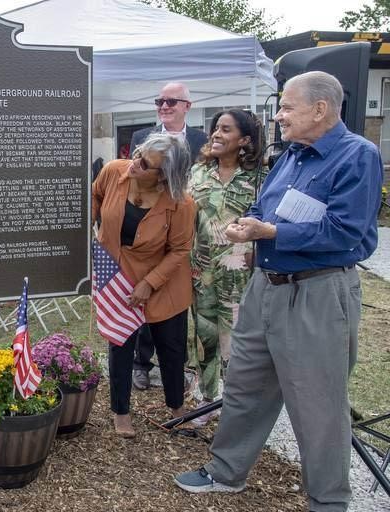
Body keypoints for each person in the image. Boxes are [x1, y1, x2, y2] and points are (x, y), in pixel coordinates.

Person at [174, 71, 383, 512]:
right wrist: (244, 226)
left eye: (287, 107)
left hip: (317, 295)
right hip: (264, 290)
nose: (280, 116)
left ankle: (328, 501)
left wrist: (271, 232)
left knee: (318, 405)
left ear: (320, 109)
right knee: (245, 387)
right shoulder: (290, 156)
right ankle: (226, 473)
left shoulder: (356, 156)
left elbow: (348, 233)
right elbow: (261, 206)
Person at [92, 132, 196, 437]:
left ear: (164, 177)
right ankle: (120, 412)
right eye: (137, 154)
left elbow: (179, 250)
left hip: (163, 281)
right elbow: (95, 195)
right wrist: (89, 220)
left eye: (145, 163)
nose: (134, 164)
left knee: (171, 347)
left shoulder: (181, 204)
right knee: (120, 342)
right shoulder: (114, 171)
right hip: (118, 274)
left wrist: (150, 283)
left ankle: (177, 407)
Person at [187, 109, 264, 426]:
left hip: (240, 274)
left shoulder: (260, 178)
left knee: (236, 342)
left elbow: (268, 222)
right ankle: (206, 399)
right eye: (215, 129)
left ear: (244, 140)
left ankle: (236, 405)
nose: (216, 134)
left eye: (226, 130)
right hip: (202, 272)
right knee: (204, 337)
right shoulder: (198, 173)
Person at [130, 82, 208, 390]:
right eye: (160, 101)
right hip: (150, 229)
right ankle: (141, 363)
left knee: (176, 301)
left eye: (171, 101)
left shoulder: (202, 140)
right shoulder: (140, 138)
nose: (164, 106)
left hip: (187, 229)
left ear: (187, 106)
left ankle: (175, 365)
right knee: (146, 295)